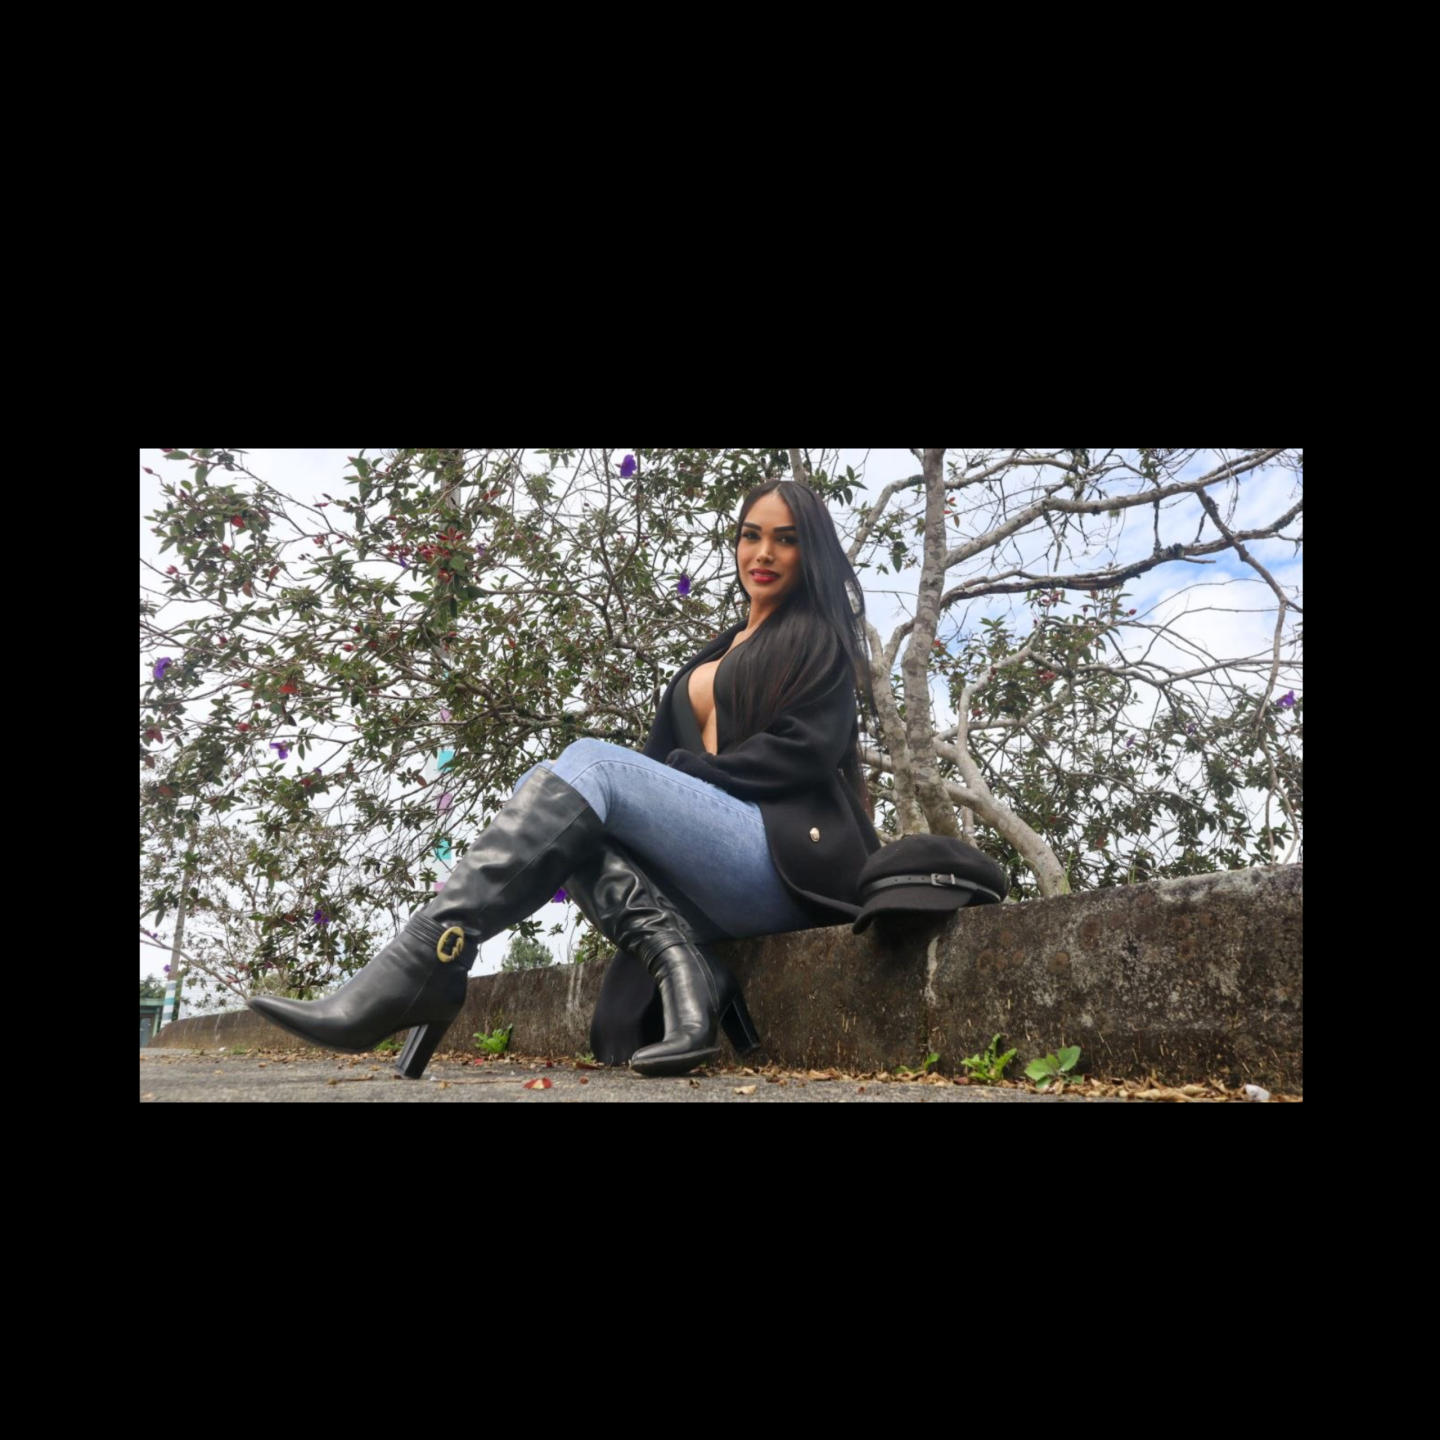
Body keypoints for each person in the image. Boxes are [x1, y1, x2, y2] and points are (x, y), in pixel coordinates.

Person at [249, 479, 881, 1078]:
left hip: (780, 864)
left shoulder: (817, 637)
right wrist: (667, 783)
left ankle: (425, 962)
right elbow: (646, 776)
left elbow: (806, 752)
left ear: (810, 552)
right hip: (706, 880)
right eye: (751, 535)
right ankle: (681, 964)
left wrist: (695, 772)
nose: (763, 552)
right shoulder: (718, 650)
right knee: (559, 796)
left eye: (785, 539)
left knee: (589, 764)